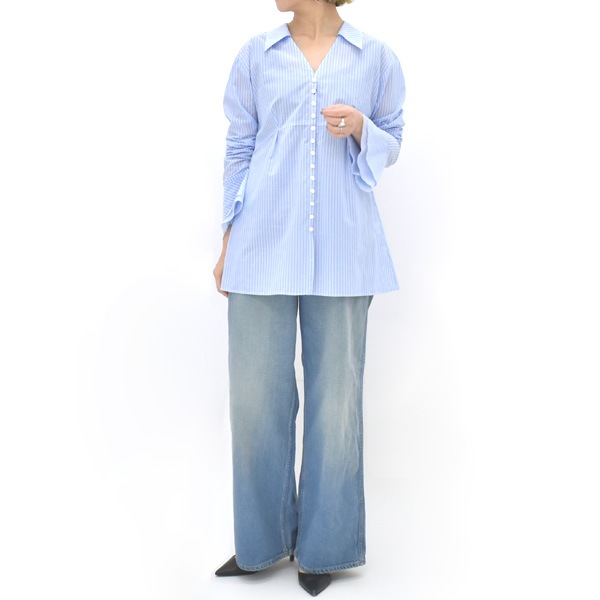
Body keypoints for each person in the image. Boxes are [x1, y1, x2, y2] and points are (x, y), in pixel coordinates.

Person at [212, 0, 405, 595]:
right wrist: (228, 239)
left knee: (335, 403)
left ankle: (325, 549)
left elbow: (394, 139)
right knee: (255, 401)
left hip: (345, 252)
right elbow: (239, 147)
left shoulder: (375, 58)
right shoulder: (255, 56)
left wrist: (362, 127)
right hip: (260, 247)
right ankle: (262, 543)